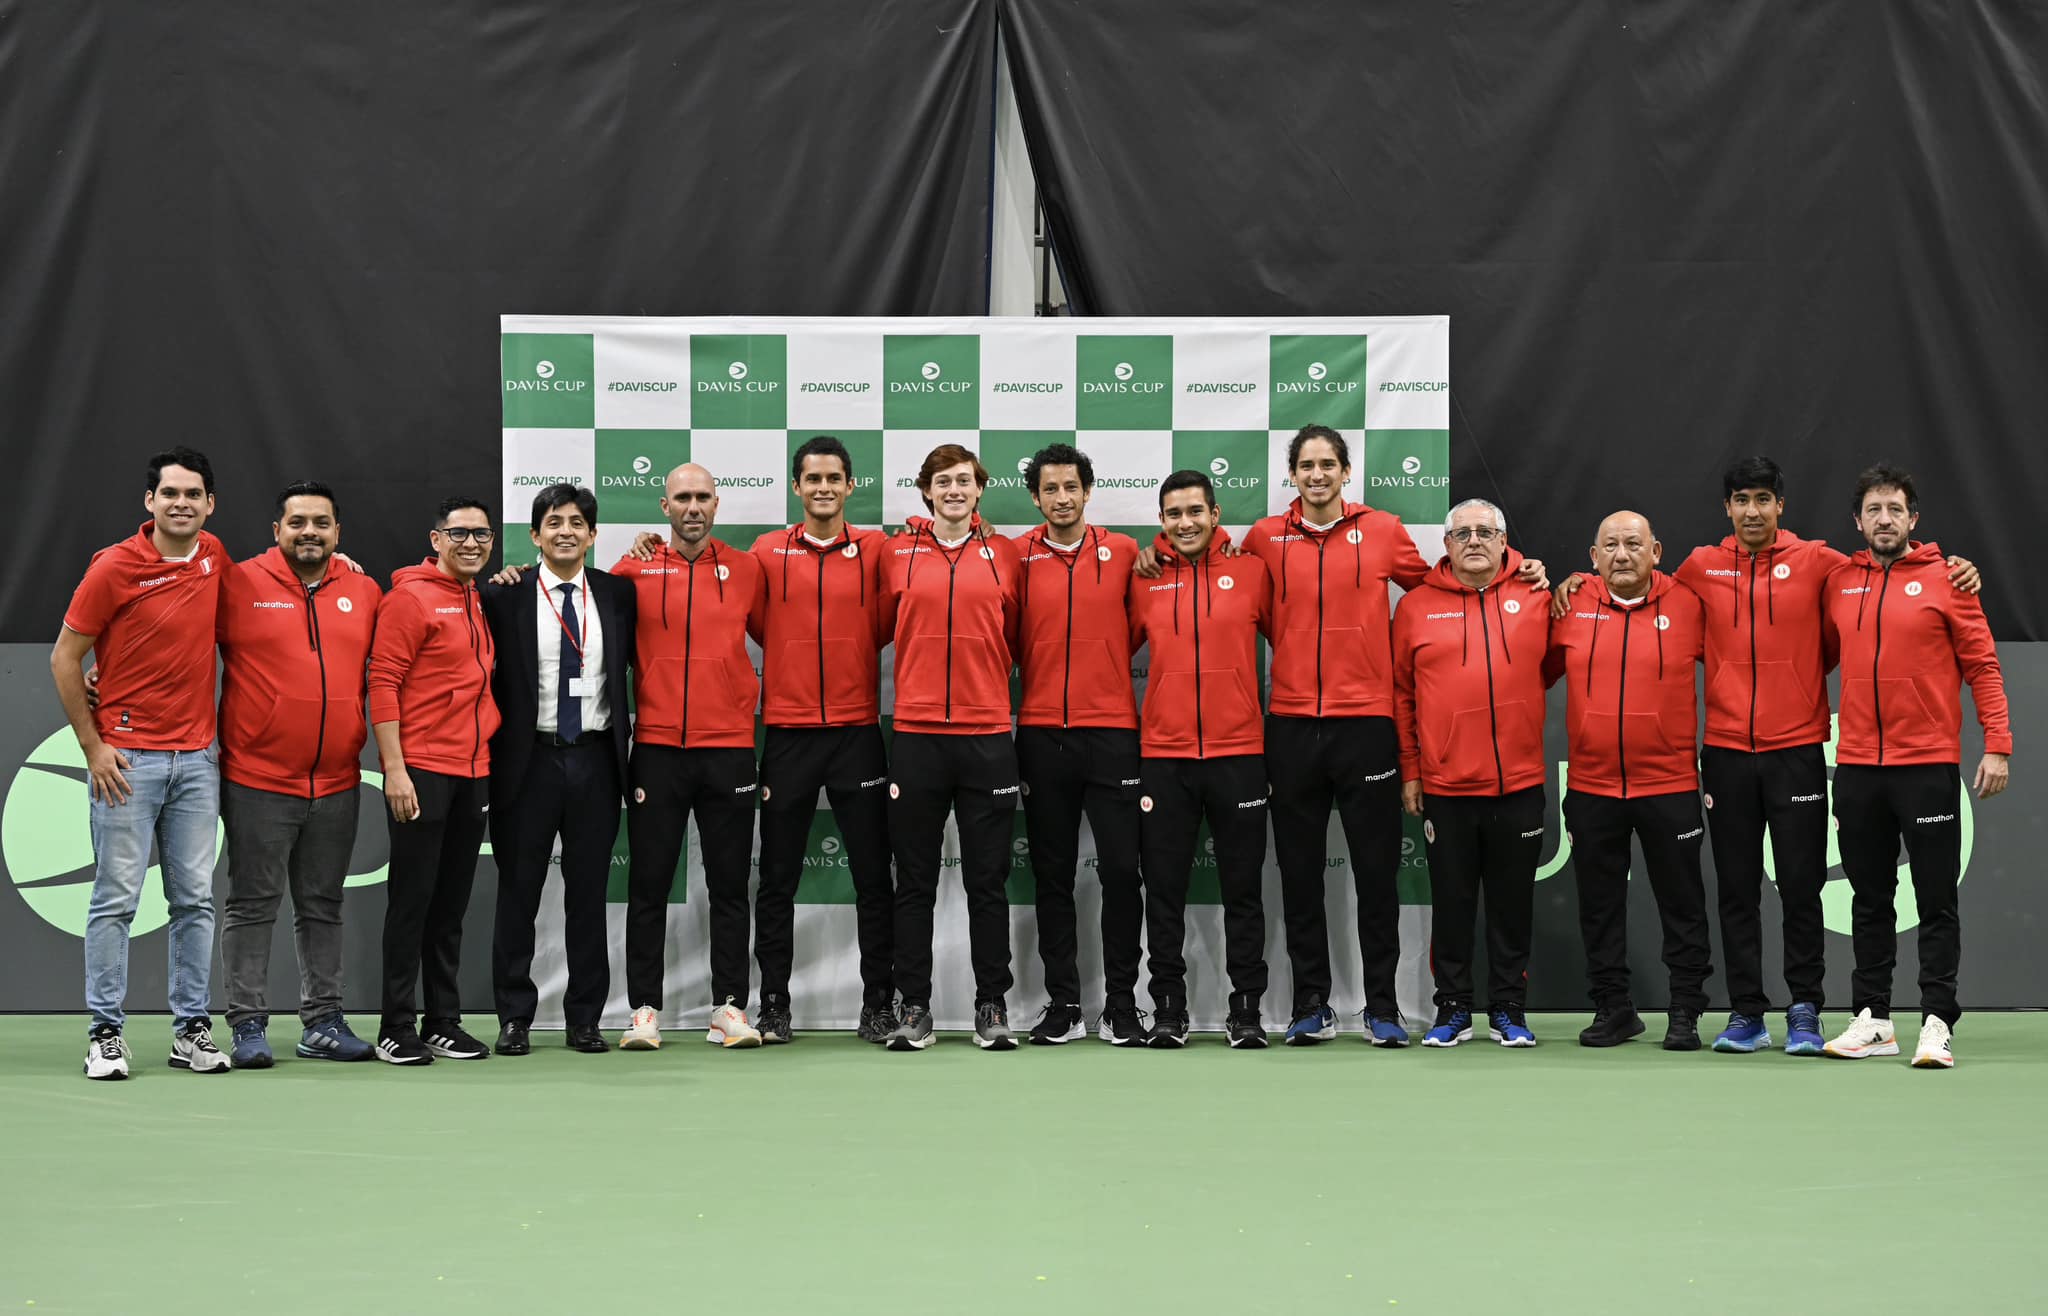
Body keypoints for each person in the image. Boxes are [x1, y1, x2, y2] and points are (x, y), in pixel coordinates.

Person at [1224, 425, 1545, 1046]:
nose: (1317, 475)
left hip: (1367, 728)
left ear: (1347, 473)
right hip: (1290, 726)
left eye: (1329, 465)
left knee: (1376, 873)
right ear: (1292, 474)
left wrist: (1519, 566)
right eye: (1306, 465)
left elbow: (1445, 582)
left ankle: (1382, 1008)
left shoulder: (1383, 529)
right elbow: (1224, 588)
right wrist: (1157, 550)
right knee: (1298, 873)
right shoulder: (1263, 538)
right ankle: (1310, 1005)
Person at [1666, 457, 1978, 1056]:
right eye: (1740, 500)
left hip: (1799, 750)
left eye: (1763, 499)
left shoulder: (1823, 563)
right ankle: (1746, 1014)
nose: (1752, 510)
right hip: (1727, 754)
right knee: (1735, 890)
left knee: (1802, 886)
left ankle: (1804, 1009)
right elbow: (1648, 594)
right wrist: (1575, 583)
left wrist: (1958, 567)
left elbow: (1873, 595)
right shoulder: (1700, 567)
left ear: (1780, 505)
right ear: (1726, 509)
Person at [1820, 464, 2010, 1069]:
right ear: (1858, 521)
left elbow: (1982, 666)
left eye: (1894, 510)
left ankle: (1936, 1021)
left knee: (1935, 900)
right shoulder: (1838, 581)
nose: (1884, 520)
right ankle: (1873, 1019)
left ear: (1913, 519)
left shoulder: (1950, 580)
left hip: (1925, 765)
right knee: (1869, 899)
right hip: (1855, 768)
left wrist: (1998, 743)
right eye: (1873, 510)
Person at [53, 447, 232, 1079]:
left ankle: (191, 1030)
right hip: (126, 761)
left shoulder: (215, 558)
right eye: (170, 493)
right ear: (149, 502)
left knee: (194, 901)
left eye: (194, 495)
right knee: (116, 900)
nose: (181, 503)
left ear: (209, 504)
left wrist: (340, 563)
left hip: (198, 765)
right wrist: (94, 748)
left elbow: (275, 585)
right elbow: (64, 658)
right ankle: (106, 1033)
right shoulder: (114, 567)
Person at [215, 481, 383, 1067]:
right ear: (276, 530)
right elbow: (172, 638)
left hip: (337, 781)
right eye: (298, 523)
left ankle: (323, 1021)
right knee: (253, 903)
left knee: (323, 905)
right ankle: (247, 1024)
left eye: (321, 523)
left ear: (338, 532)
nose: (309, 532)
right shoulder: (236, 584)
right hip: (258, 779)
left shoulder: (364, 590)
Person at [1542, 511, 1714, 1050]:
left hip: (1670, 786)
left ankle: (1685, 1010)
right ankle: (1613, 1008)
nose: (1622, 554)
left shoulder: (1691, 605)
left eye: (1633, 544)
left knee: (1682, 904)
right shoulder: (1568, 607)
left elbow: (1743, 668)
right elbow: (1526, 673)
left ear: (1656, 551)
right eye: (1610, 545)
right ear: (1592, 558)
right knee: (1599, 906)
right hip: (1593, 788)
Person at [611, 465, 766, 1050]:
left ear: (717, 504)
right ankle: (643, 1010)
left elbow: (783, 635)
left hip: (728, 750)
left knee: (729, 886)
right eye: (682, 497)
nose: (693, 506)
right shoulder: (632, 569)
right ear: (664, 504)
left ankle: (728, 1007)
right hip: (655, 750)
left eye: (702, 496)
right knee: (648, 884)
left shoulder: (748, 568)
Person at [477, 485, 635, 1058]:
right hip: (527, 762)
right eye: (553, 522)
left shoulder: (619, 594)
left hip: (596, 760)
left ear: (593, 535)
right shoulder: (505, 596)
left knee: (588, 897)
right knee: (518, 895)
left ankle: (585, 1018)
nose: (565, 530)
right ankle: (515, 1016)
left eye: (576, 522)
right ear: (535, 536)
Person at [749, 437, 897, 1042]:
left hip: (858, 732)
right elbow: (745, 611)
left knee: (872, 878)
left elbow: (913, 592)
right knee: (777, 879)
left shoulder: (880, 547)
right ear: (796, 486)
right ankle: (775, 1005)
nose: (824, 488)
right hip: (786, 732)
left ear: (850, 485)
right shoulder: (764, 551)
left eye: (834, 478)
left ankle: (878, 1004)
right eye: (813, 478)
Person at [879, 445, 1024, 1051]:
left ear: (980, 490)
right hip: (915, 737)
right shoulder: (894, 552)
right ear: (927, 492)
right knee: (913, 883)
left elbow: (1017, 638)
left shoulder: (1007, 554)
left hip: (988, 737)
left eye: (965, 480)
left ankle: (991, 1006)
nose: (955, 489)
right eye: (944, 482)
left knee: (987, 882)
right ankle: (914, 1007)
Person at [1393, 499, 1552, 1048]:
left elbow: (1555, 665)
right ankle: (1453, 1008)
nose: (1474, 541)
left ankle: (1509, 1009)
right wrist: (1411, 770)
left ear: (1505, 541)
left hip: (1519, 784)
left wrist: (1550, 576)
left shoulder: (1537, 595)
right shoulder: (1415, 607)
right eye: (1462, 533)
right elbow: (1401, 695)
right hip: (1446, 787)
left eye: (1486, 532)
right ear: (1447, 544)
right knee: (1454, 905)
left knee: (1512, 906)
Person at [1129, 469, 1274, 1048]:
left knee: (1243, 890)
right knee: (1162, 890)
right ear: (1161, 521)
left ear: (1215, 515)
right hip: (1163, 757)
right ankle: (1168, 1007)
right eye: (1172, 514)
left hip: (1240, 753)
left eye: (1195, 511)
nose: (1184, 523)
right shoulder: (1142, 578)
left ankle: (1246, 1010)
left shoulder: (1253, 571)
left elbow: (1294, 642)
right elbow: (1106, 652)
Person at [1012, 442, 1147, 1046]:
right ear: (1036, 497)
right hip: (1041, 734)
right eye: (1050, 489)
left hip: (1114, 732)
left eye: (1072, 487)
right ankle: (1063, 1004)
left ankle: (1122, 1004)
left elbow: (1143, 627)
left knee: (1122, 871)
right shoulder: (1014, 556)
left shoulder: (1123, 553)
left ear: (1088, 492)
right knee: (1051, 875)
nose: (1062, 498)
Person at [368, 497, 502, 1065]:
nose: (471, 543)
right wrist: (394, 770)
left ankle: (442, 1020)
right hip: (421, 771)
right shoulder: (410, 598)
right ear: (436, 538)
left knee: (450, 906)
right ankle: (396, 1026)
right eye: (459, 534)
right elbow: (382, 682)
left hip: (474, 773)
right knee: (412, 904)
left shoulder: (476, 597)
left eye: (482, 534)